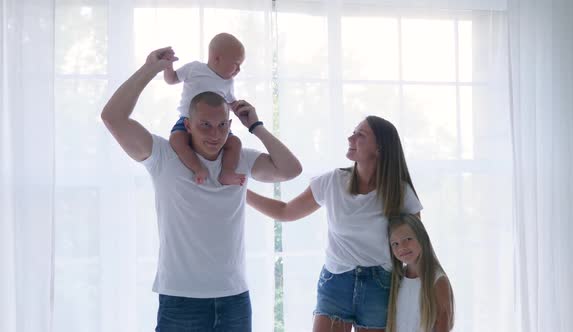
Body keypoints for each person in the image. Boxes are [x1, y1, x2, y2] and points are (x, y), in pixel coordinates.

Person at [101, 46, 302, 332]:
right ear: (188, 125)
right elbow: (113, 117)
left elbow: (291, 169)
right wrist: (150, 68)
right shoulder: (164, 155)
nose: (215, 134)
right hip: (181, 300)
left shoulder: (241, 158)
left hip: (234, 298)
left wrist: (256, 125)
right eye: (205, 125)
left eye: (222, 125)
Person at [247, 115, 422, 332]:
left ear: (379, 148)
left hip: (380, 285)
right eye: (353, 131)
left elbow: (415, 248)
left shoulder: (400, 192)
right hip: (336, 282)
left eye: (361, 135)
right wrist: (241, 193)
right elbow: (285, 211)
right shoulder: (332, 181)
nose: (350, 137)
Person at [164, 32, 245, 185]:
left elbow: (231, 103)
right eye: (236, 64)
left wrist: (240, 108)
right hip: (187, 120)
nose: (239, 70)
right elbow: (172, 79)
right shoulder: (194, 69)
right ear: (217, 58)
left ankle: (227, 173)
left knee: (235, 143)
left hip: (218, 125)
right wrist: (168, 66)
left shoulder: (228, 82)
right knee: (176, 140)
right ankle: (197, 168)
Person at [387, 215, 454, 332]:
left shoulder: (438, 281)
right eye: (395, 244)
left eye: (408, 239)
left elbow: (443, 325)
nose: (402, 247)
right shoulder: (397, 279)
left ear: (421, 238)